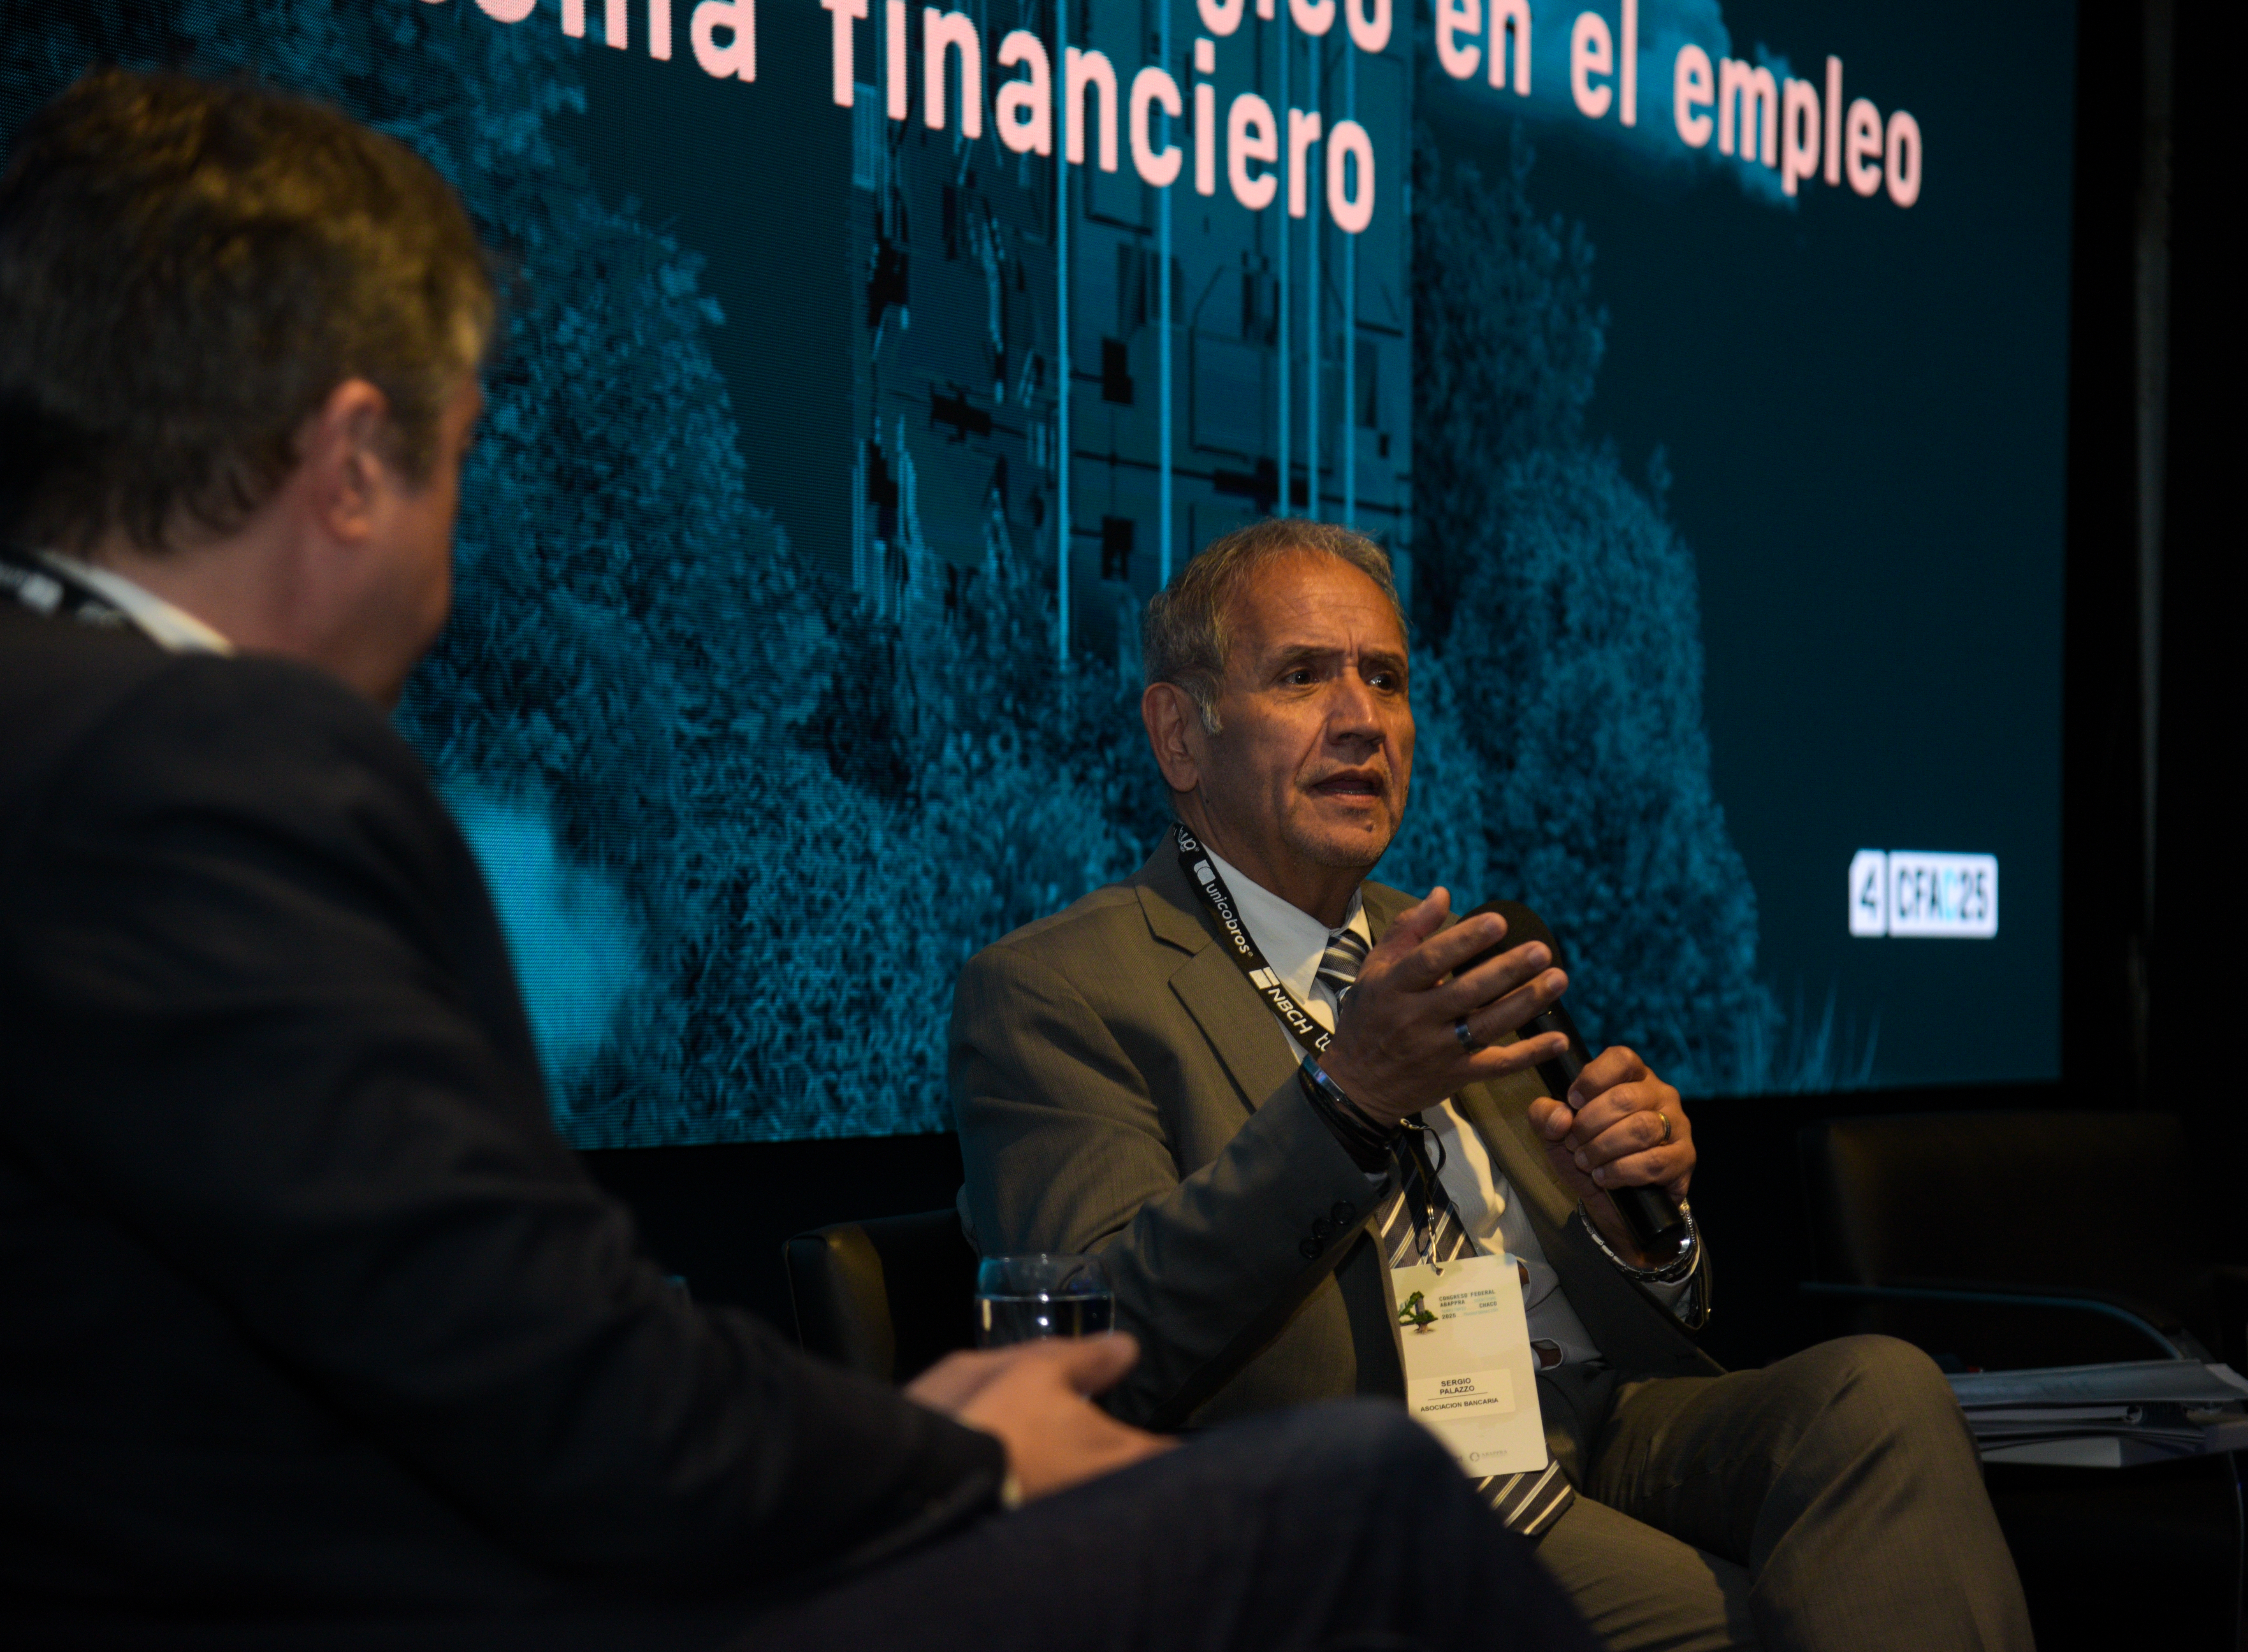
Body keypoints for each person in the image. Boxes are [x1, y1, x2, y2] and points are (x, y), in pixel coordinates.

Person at [0, 70, 1601, 1652]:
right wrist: (966, 1450)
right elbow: (566, 1385)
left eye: (1382, 679)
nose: (446, 561)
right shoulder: (207, 772)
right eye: (462, 463)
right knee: (1355, 1499)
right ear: (351, 463)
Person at [952, 519, 2036, 1651]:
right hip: (1367, 1485)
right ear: (1180, 734)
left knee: (1880, 1395)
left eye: (1385, 679)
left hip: (1589, 1418)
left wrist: (1637, 1224)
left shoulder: (1461, 949)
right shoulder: (1056, 990)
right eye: (1302, 677)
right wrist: (1346, 1100)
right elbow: (1100, 1351)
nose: (1361, 720)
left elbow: (1664, 1302)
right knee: (1769, 1624)